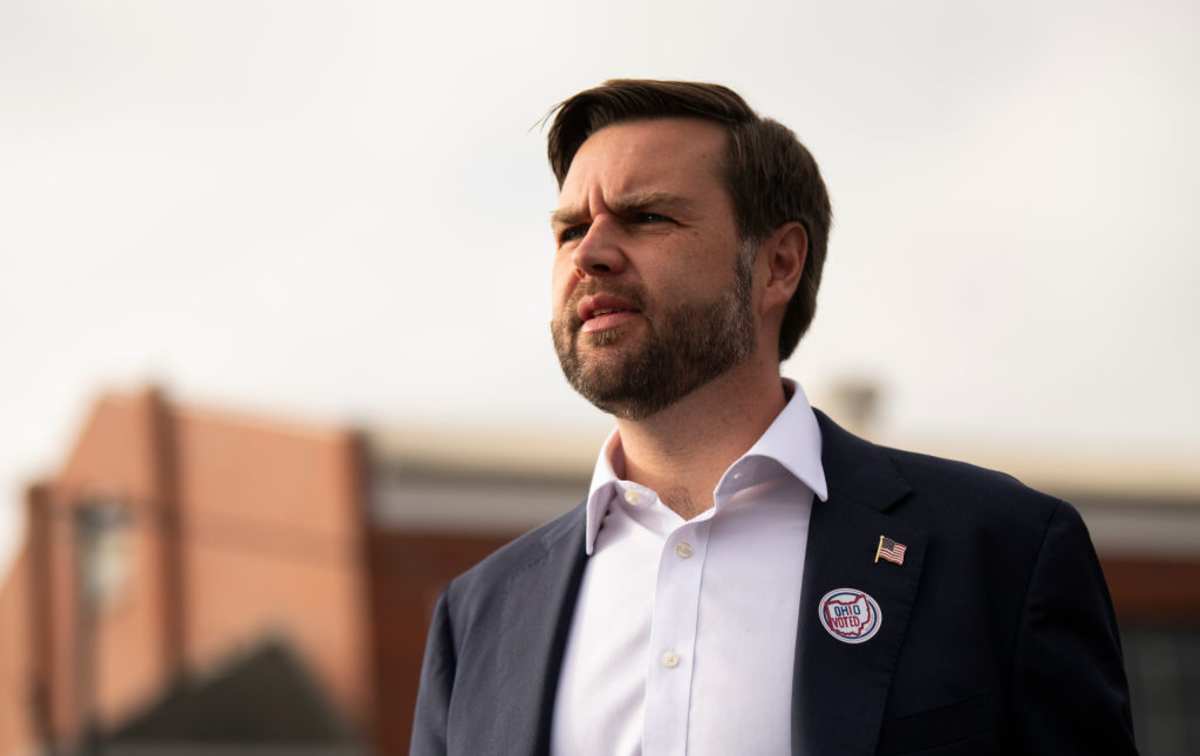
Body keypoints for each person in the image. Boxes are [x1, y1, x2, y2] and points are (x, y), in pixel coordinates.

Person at [411, 80, 1138, 756]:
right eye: (569, 231)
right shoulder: (479, 616)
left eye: (645, 217)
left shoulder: (1002, 551)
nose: (591, 254)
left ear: (778, 264)